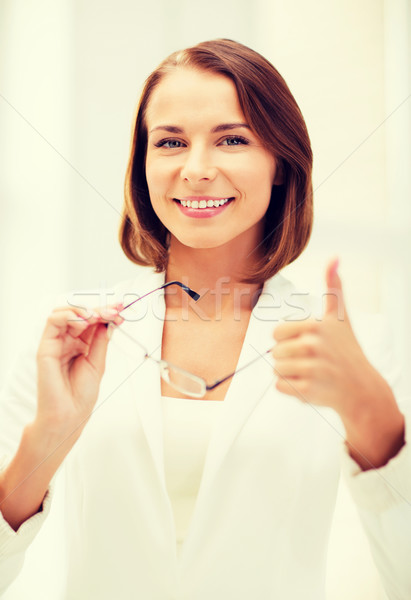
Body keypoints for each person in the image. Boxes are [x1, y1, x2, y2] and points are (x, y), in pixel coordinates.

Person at [0, 38, 410, 599]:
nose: (196, 170)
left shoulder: (352, 345)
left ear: (281, 166)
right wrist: (47, 439)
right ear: (143, 165)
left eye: (232, 139)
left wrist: (375, 419)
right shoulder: (65, 337)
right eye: (169, 142)